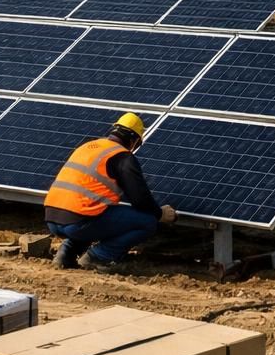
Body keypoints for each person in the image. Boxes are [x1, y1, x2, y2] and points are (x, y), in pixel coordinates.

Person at [44, 112, 176, 273]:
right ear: (134, 140)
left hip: (52, 218)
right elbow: (140, 199)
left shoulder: (87, 147)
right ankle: (98, 257)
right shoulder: (122, 157)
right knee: (147, 222)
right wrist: (160, 214)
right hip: (78, 223)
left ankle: (66, 254)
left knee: (98, 213)